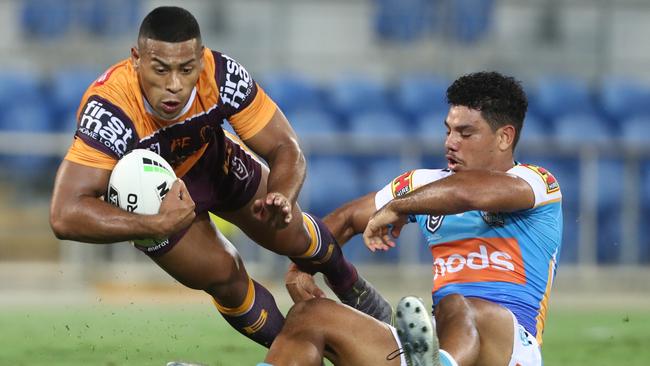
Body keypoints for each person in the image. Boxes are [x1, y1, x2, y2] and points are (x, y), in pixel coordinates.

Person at [49, 6, 391, 349]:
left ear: (201, 59)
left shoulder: (222, 74)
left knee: (291, 233)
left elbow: (286, 147)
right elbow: (64, 215)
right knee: (225, 277)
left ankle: (349, 284)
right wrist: (155, 225)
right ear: (136, 59)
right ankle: (308, 353)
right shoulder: (110, 110)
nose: (174, 86)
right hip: (156, 201)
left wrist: (283, 195)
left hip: (214, 163)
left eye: (186, 70)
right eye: (160, 69)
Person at [259, 71, 563, 366]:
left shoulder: (537, 183)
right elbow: (348, 218)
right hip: (435, 342)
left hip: (510, 347)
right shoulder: (425, 187)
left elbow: (468, 193)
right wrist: (301, 268)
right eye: (448, 130)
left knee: (459, 304)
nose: (450, 143)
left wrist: (399, 207)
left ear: (504, 137)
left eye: (465, 133)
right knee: (310, 317)